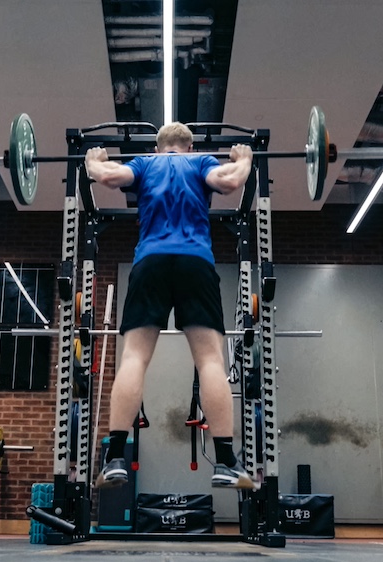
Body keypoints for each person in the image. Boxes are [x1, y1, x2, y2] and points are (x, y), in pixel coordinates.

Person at [84, 122, 255, 490]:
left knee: (133, 359)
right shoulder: (201, 163)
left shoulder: (146, 164)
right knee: (210, 360)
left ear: (160, 147)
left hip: (150, 263)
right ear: (189, 146)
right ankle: (225, 462)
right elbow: (229, 183)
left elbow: (108, 176)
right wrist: (244, 159)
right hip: (196, 262)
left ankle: (114, 457)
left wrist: (93, 160)